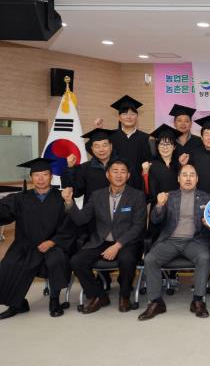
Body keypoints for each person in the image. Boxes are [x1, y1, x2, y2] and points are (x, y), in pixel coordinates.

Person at [64, 159, 146, 314]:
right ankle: (98, 295)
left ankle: (124, 295)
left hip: (127, 242)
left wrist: (117, 245)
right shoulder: (97, 195)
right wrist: (69, 202)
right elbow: (81, 219)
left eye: (123, 172)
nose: (119, 175)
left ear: (128, 175)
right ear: (108, 175)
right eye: (115, 171)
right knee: (77, 261)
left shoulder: (137, 196)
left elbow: (138, 226)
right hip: (101, 241)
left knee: (127, 259)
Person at [0, 158, 76, 319]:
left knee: (56, 260)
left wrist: (52, 242)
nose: (41, 179)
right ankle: (17, 304)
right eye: (36, 175)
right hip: (26, 244)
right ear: (31, 177)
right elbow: (4, 211)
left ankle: (54, 300)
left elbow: (70, 225)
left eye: (45, 174)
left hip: (54, 244)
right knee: (9, 262)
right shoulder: (20, 198)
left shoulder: (61, 197)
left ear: (51, 177)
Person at [137, 164, 210, 320]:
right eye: (184, 175)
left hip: (194, 241)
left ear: (197, 179)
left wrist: (209, 224)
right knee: (150, 259)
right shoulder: (169, 196)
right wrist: (159, 205)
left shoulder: (208, 198)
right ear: (178, 179)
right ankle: (156, 302)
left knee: (204, 258)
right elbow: (155, 220)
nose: (188, 178)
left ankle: (198, 300)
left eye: (192, 175)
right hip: (170, 240)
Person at [107, 95, 152, 190]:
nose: (129, 117)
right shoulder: (111, 137)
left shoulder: (145, 138)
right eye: (125, 114)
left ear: (137, 117)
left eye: (132, 114)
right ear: (119, 118)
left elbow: (150, 161)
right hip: (116, 185)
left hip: (139, 185)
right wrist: (97, 129)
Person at [61, 127, 117, 203]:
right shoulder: (84, 168)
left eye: (105, 145)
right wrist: (70, 168)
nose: (101, 149)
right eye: (96, 146)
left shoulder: (122, 166)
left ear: (111, 146)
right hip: (92, 209)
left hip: (119, 209)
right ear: (92, 149)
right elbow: (76, 193)